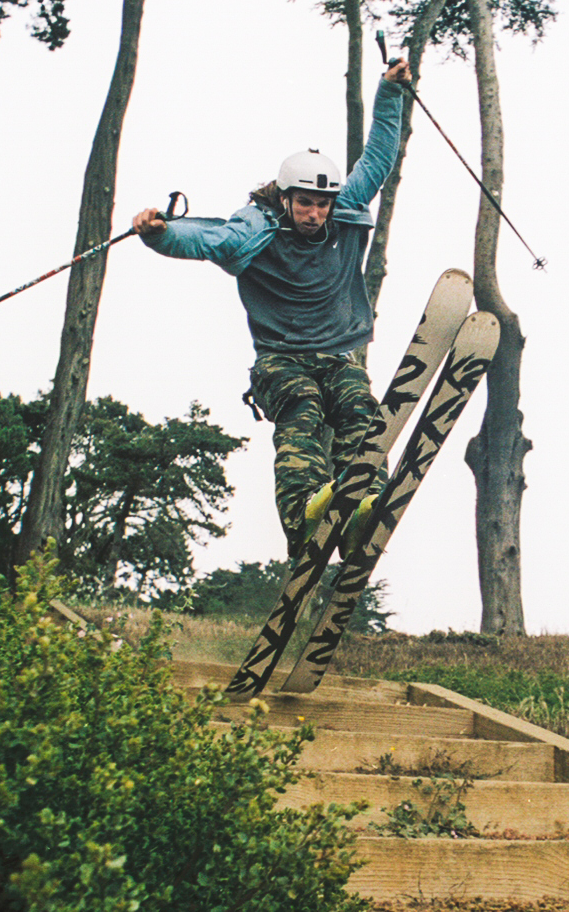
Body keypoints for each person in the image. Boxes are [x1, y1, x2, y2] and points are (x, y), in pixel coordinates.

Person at [132, 56, 413, 557]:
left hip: (337, 354)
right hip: (279, 360)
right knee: (302, 406)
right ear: (286, 198)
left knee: (359, 408)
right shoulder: (254, 230)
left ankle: (365, 499)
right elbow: (206, 238)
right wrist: (160, 233)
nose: (314, 214)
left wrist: (390, 94)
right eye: (304, 202)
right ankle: (303, 511)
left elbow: (377, 161)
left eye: (321, 204)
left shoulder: (344, 211)